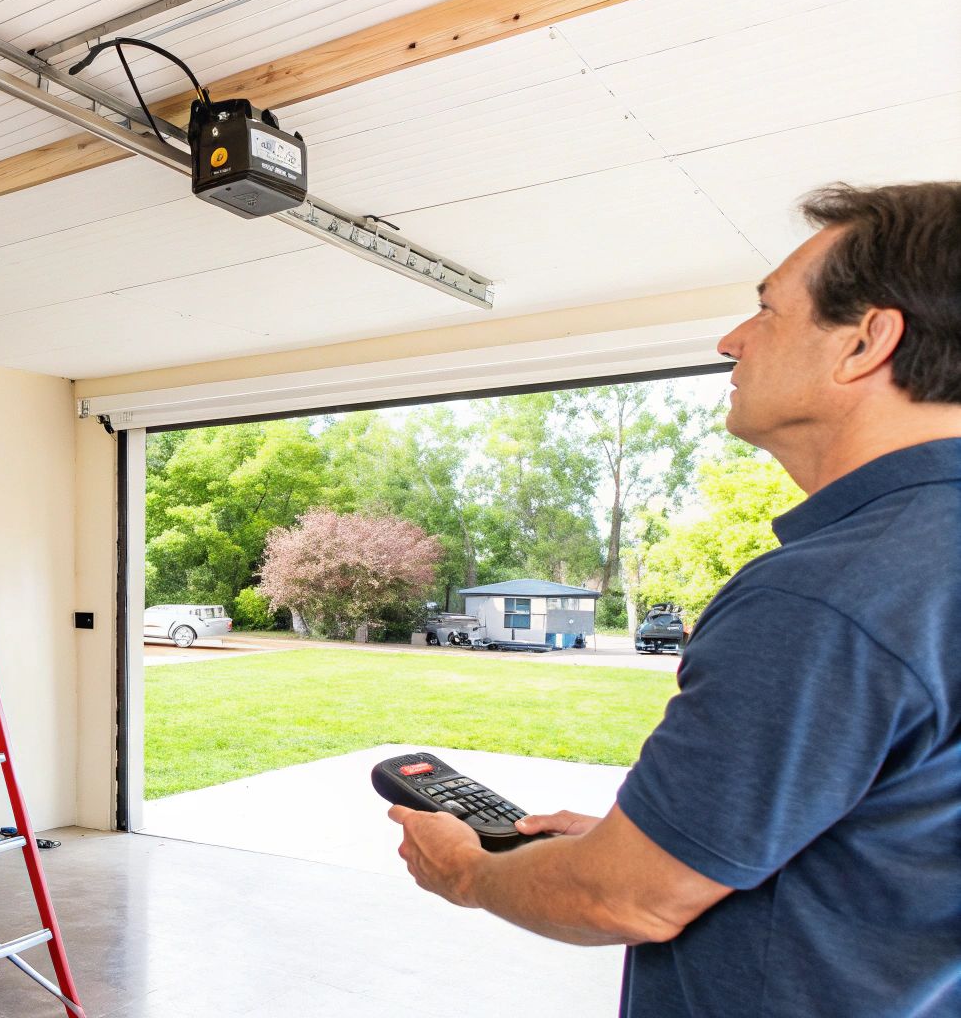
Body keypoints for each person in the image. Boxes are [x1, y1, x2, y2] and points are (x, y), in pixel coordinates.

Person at [388, 182, 961, 1017]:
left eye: (767, 311)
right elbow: (896, 841)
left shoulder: (825, 596)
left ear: (866, 342)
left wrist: (469, 871)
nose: (733, 340)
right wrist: (653, 839)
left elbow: (627, 901)